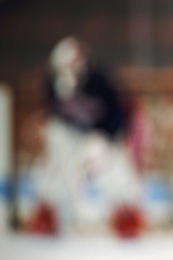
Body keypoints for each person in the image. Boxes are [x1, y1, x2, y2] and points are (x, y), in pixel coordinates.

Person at [25, 36, 145, 237]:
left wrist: (107, 140)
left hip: (99, 136)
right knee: (52, 166)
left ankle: (126, 214)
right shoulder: (52, 82)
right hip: (69, 139)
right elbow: (52, 118)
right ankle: (46, 212)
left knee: (114, 169)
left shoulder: (101, 80)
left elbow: (117, 114)